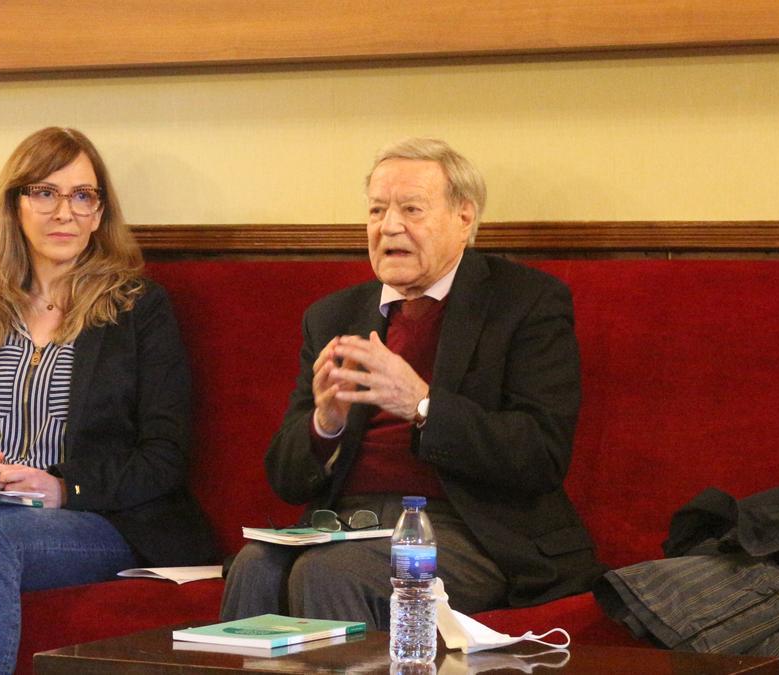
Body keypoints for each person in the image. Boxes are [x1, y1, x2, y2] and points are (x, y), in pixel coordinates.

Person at [0, 127, 216, 674]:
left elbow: (165, 456)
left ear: (100, 213)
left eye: (83, 195)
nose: (65, 212)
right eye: (45, 193)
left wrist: (62, 487)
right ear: (16, 205)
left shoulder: (137, 308)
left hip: (103, 518)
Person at [220, 137, 605, 628]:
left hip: (469, 531)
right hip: (346, 526)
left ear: (464, 218)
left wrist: (423, 404)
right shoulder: (334, 315)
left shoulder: (525, 302)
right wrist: (326, 424)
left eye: (411, 209)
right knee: (255, 566)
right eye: (377, 210)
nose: (389, 226)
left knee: (329, 573)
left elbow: (540, 454)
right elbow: (286, 480)